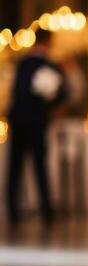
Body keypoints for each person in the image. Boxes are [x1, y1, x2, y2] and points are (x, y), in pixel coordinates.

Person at [6, 28, 66, 226]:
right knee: (39, 166)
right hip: (36, 123)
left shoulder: (21, 63)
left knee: (15, 167)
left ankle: (13, 210)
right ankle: (46, 211)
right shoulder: (48, 65)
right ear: (48, 42)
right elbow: (60, 95)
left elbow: (15, 93)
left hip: (18, 121)